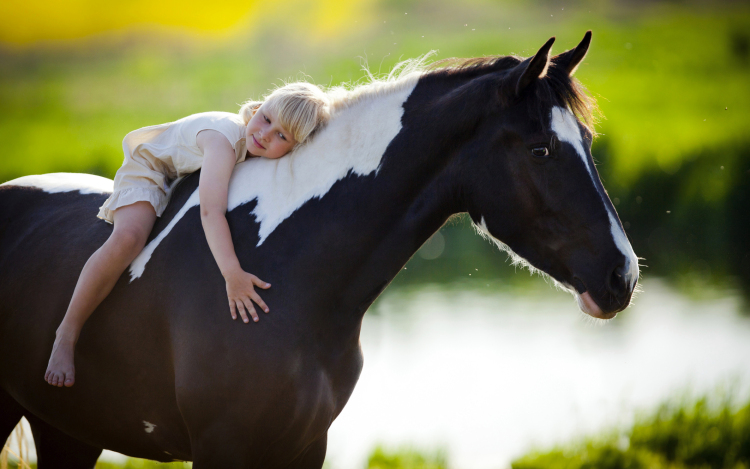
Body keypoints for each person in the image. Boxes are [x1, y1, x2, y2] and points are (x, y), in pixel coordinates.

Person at [44, 82, 331, 387]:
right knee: (129, 238)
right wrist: (232, 273)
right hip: (153, 171)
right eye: (267, 120)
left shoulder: (255, 144)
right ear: (258, 109)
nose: (265, 134)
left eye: (281, 136)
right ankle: (66, 333)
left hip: (185, 180)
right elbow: (211, 211)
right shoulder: (223, 141)